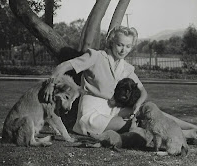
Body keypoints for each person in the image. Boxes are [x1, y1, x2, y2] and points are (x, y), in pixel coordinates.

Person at [44, 26, 197, 139]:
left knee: (150, 112)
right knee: (136, 124)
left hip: (115, 109)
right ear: (112, 42)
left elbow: (143, 91)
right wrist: (51, 84)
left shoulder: (126, 67)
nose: (124, 50)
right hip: (92, 113)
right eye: (120, 45)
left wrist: (138, 104)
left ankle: (193, 128)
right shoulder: (96, 56)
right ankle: (186, 135)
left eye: (128, 46)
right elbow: (63, 66)